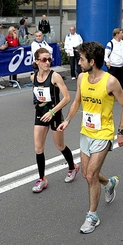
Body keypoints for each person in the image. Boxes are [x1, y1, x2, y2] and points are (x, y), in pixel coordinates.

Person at [57, 41, 123, 234]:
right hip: (86, 132)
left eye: (81, 59)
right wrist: (68, 120)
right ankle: (109, 183)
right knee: (88, 175)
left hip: (103, 134)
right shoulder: (81, 78)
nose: (78, 62)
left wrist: (121, 133)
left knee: (90, 176)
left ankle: (92, 216)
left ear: (92, 61)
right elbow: (76, 102)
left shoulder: (110, 81)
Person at [30, 47, 79, 193]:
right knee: (38, 148)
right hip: (40, 114)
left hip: (55, 114)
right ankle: (42, 179)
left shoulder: (55, 76)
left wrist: (52, 111)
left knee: (59, 145)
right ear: (37, 61)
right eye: (44, 59)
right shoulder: (33, 77)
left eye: (49, 59)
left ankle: (72, 167)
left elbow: (67, 98)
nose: (47, 62)